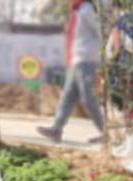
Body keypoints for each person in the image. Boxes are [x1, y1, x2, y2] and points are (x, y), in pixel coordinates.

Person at [37, 0, 103, 143]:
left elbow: (101, 31)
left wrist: (100, 54)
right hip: (76, 60)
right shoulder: (78, 11)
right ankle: (56, 129)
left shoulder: (86, 10)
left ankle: (106, 132)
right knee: (67, 97)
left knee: (88, 98)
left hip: (86, 59)